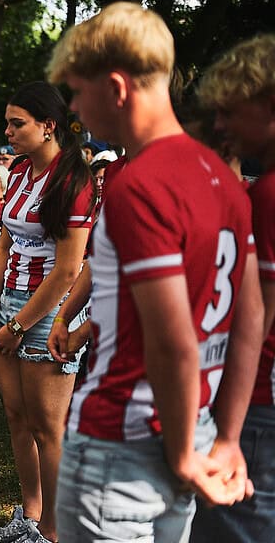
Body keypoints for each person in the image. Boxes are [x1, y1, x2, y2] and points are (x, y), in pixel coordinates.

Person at [47, 2, 261, 542]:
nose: (73, 106)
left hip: (122, 445)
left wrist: (184, 451)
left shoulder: (137, 185)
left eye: (76, 90)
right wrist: (226, 437)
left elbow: (173, 341)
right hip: (196, 426)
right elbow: (251, 318)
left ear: (116, 88)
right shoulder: (222, 174)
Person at [0, 81, 95, 543]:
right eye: (7, 121)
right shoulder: (23, 172)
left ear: (49, 126)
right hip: (8, 304)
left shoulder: (73, 180)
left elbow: (68, 270)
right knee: (16, 415)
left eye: (17, 123)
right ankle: (30, 514)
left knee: (49, 427)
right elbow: (5, 244)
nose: (7, 131)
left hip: (49, 314)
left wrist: (18, 324)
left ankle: (54, 531)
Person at [190, 33, 275, 542]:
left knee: (235, 524)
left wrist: (225, 428)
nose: (221, 125)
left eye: (230, 110)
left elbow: (257, 316)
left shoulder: (264, 195)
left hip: (258, 400)